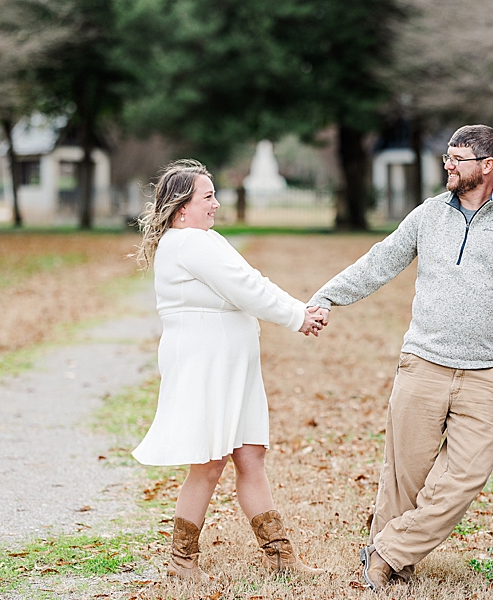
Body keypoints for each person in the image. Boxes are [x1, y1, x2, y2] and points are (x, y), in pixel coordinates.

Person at [308, 125, 493, 591]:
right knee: (403, 478)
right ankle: (393, 567)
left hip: (485, 377)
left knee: (466, 477)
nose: (447, 164)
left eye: (457, 158)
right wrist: (327, 296)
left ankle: (387, 550)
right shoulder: (429, 214)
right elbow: (380, 261)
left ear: (486, 166)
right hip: (424, 366)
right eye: (447, 156)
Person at [131, 159, 326, 581]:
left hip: (230, 361)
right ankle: (182, 563)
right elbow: (246, 289)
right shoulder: (188, 244)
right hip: (205, 361)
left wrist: (297, 308)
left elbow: (250, 278)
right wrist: (298, 316)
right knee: (209, 460)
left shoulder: (204, 239)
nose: (216, 204)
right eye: (208, 197)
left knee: (250, 455)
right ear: (182, 208)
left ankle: (280, 559)